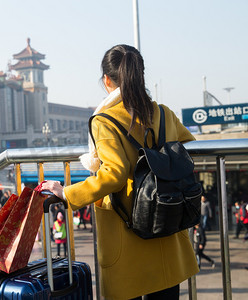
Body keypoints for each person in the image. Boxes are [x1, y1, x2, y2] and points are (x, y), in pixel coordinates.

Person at [42, 44, 199, 299]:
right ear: (141, 75)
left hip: (129, 228)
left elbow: (114, 174)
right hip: (166, 223)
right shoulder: (163, 112)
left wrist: (67, 193)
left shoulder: (105, 120)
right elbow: (184, 140)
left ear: (106, 80)